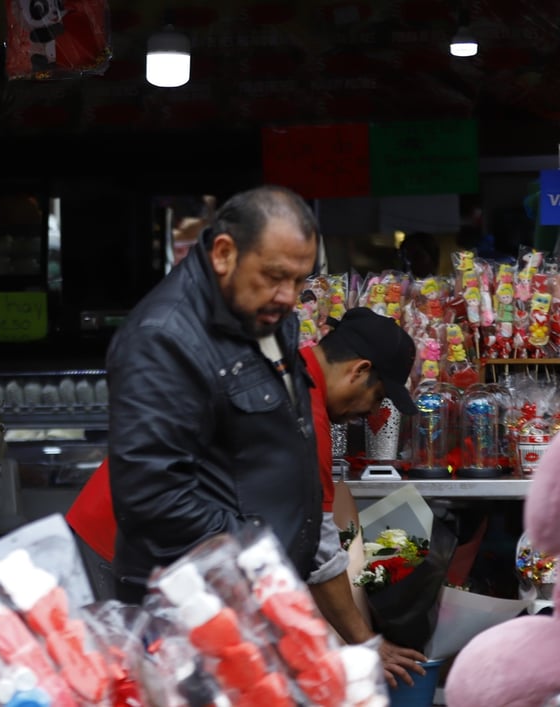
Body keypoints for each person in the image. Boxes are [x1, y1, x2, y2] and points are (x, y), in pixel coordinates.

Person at [99, 185, 428, 685]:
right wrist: (261, 556)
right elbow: (152, 493)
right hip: (187, 601)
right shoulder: (163, 337)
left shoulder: (263, 318)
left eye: (297, 281)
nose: (287, 296)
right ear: (225, 254)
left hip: (240, 597)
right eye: (275, 276)